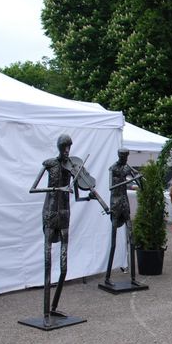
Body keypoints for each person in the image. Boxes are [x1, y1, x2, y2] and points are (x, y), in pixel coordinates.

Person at [29, 133, 109, 325]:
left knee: (64, 267)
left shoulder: (71, 167)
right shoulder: (49, 164)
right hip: (50, 213)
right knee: (48, 263)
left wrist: (89, 197)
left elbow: (78, 195)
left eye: (69, 148)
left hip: (64, 214)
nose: (67, 151)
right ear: (59, 147)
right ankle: (46, 311)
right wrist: (57, 189)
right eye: (65, 147)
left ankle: (54, 307)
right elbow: (33, 188)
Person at [104, 148, 143, 287]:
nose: (124, 159)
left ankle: (133, 277)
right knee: (114, 242)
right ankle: (107, 277)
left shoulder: (127, 167)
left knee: (131, 239)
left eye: (125, 157)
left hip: (125, 203)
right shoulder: (113, 168)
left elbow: (141, 186)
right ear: (118, 156)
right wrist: (129, 180)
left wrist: (139, 179)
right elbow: (110, 187)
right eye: (122, 156)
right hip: (115, 203)